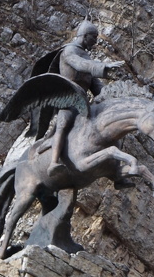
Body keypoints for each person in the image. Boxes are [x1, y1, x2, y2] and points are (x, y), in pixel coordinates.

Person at [49, 21, 120, 169]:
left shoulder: (86, 55)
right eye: (94, 37)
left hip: (83, 101)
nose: (95, 42)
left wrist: (111, 97)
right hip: (68, 99)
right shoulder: (69, 51)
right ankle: (53, 162)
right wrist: (102, 66)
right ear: (85, 35)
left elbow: (94, 83)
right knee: (63, 124)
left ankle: (116, 170)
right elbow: (80, 64)